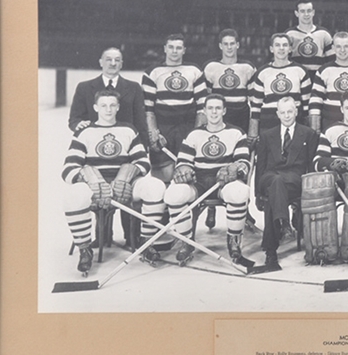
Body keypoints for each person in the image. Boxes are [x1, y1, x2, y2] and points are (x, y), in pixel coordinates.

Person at [61, 89, 166, 275]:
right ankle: (85, 249)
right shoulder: (84, 132)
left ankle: (147, 243)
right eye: (103, 105)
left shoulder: (128, 130)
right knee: (73, 194)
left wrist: (128, 174)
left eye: (112, 105)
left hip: (125, 184)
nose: (108, 109)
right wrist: (88, 178)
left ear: (118, 107)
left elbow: (143, 162)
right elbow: (68, 168)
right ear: (95, 107)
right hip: (95, 187)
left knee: (155, 187)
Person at [163, 94, 252, 267]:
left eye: (218, 108)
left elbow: (244, 162)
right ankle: (186, 241)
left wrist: (235, 168)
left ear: (224, 111)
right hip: (199, 181)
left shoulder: (236, 133)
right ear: (204, 111)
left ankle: (234, 239)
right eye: (210, 108)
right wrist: (184, 169)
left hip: (223, 181)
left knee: (240, 192)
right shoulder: (194, 134)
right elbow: (182, 162)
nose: (214, 112)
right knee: (173, 194)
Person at [254, 96, 320, 269]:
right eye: (282, 112)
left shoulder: (308, 134)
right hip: (270, 177)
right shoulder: (267, 135)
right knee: (275, 183)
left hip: (294, 180)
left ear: (296, 111)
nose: (287, 116)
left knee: (273, 197)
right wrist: (257, 194)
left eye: (290, 111)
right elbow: (260, 166)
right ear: (277, 114)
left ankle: (271, 252)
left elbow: (311, 165)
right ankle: (283, 223)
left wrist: (310, 191)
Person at [141, 34, 208, 182]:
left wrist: (196, 134)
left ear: (184, 50)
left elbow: (202, 107)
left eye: (178, 48)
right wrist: (153, 133)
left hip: (187, 126)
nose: (174, 51)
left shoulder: (194, 70)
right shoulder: (152, 72)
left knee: (188, 174)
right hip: (163, 128)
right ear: (165, 49)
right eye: (171, 47)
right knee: (162, 176)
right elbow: (148, 109)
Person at [68, 47, 148, 142]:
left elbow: (140, 122)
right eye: (109, 60)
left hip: (124, 143)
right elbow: (74, 119)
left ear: (121, 64)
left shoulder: (134, 87)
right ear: (101, 62)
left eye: (117, 60)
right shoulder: (84, 87)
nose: (113, 63)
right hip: (94, 142)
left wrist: (142, 149)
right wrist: (79, 124)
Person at [248, 33, 312, 143]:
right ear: (271, 49)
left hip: (294, 123)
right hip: (269, 123)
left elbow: (307, 105)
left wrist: (307, 128)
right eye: (277, 45)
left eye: (285, 45)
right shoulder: (262, 72)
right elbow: (255, 106)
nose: (281, 48)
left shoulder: (300, 70)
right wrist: (253, 132)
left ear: (290, 49)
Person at [203, 28, 255, 131]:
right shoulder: (210, 67)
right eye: (226, 44)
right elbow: (205, 99)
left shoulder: (248, 67)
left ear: (238, 45)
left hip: (241, 116)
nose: (229, 47)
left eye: (232, 43)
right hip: (219, 114)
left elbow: (253, 101)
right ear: (220, 46)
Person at [284, 0, 333, 77]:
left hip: (318, 78)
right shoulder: (289, 34)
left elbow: (332, 61)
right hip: (296, 77)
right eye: (302, 11)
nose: (306, 14)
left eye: (309, 11)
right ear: (296, 13)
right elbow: (283, 60)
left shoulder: (324, 34)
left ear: (313, 12)